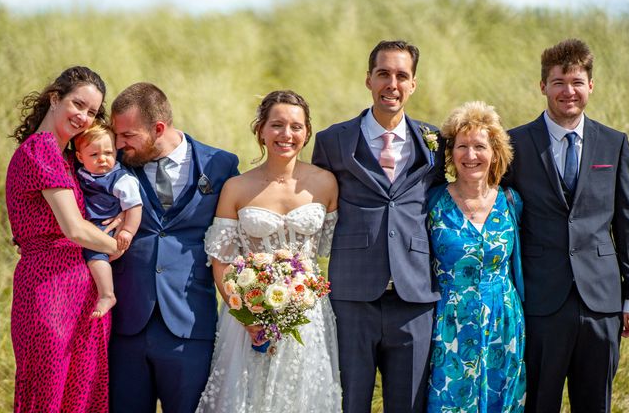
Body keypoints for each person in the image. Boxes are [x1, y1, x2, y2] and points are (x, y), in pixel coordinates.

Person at [312, 40, 445, 412]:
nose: (393, 83)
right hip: (353, 294)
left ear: (413, 84)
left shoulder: (435, 142)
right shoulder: (332, 140)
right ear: (368, 79)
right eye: (383, 74)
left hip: (415, 295)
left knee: (410, 404)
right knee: (351, 401)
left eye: (402, 75)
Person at [504, 38, 629, 412]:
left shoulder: (614, 144)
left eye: (577, 82)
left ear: (590, 86)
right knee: (539, 403)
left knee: (596, 404)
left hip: (602, 303)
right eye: (559, 82)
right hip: (540, 301)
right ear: (543, 86)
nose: (568, 91)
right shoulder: (515, 144)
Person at [196, 90, 342, 413]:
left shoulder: (326, 184)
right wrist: (244, 312)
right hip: (248, 316)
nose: (286, 135)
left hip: (308, 316)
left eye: (295, 126)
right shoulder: (237, 188)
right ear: (261, 129)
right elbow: (220, 260)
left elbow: (332, 249)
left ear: (307, 133)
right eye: (276, 125)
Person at [108, 82, 240, 413]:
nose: (118, 144)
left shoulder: (220, 165)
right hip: (126, 325)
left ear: (159, 128)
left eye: (127, 136)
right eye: (116, 135)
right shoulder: (113, 164)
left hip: (190, 324)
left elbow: (241, 228)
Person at [6, 66, 121, 412]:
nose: (84, 117)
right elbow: (73, 228)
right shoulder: (41, 150)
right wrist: (120, 245)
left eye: (92, 112)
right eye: (78, 104)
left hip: (80, 294)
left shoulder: (68, 157)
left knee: (80, 398)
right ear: (55, 98)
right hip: (49, 291)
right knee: (48, 397)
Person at [426, 101, 525, 412]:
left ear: (494, 152)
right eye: (462, 146)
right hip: (449, 324)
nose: (470, 155)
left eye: (479, 146)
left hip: (504, 323)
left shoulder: (511, 201)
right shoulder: (433, 201)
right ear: (451, 153)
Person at [74, 121, 143, 318]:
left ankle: (107, 294)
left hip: (106, 226)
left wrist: (127, 231)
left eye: (109, 153)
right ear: (80, 157)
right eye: (94, 155)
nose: (102, 159)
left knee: (95, 253)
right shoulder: (81, 173)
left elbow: (134, 207)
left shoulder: (120, 179)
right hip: (87, 224)